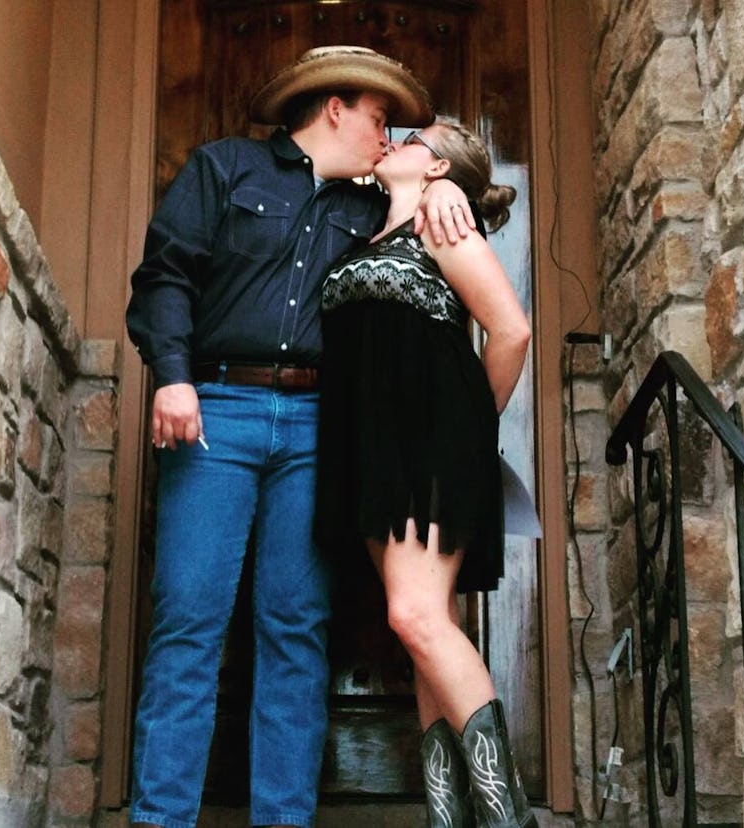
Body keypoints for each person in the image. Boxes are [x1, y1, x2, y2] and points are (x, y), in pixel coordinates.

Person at [125, 46, 477, 828]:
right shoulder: (225, 170)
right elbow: (165, 278)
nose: (388, 138)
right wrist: (174, 375)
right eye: (381, 120)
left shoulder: (370, 208)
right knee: (188, 621)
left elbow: (446, 213)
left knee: (295, 630)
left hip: (321, 430)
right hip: (217, 408)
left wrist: (443, 186)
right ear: (334, 108)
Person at [314, 117, 538, 827]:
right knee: (426, 626)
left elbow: (511, 330)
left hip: (430, 446)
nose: (394, 137)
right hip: (376, 455)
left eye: (412, 135)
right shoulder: (371, 232)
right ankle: (451, 819)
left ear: (437, 170)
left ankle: (511, 819)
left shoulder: (446, 226)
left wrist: (472, 428)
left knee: (412, 615)